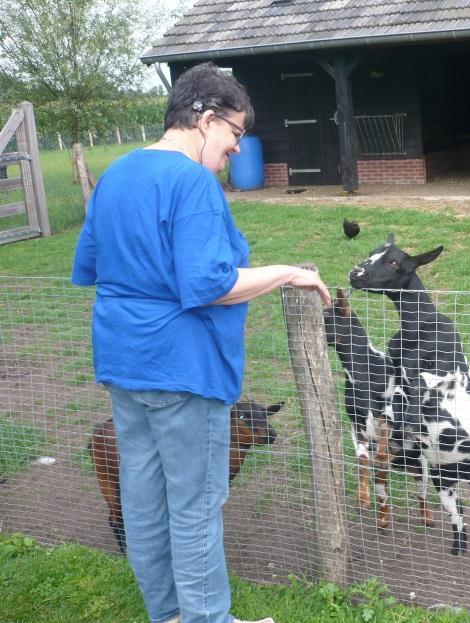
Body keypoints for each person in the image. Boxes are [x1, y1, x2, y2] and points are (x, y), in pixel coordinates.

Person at [71, 62, 330, 623]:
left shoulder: (115, 174)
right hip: (181, 370)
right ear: (204, 118)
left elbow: (91, 266)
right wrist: (287, 272)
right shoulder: (192, 182)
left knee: (143, 501)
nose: (238, 147)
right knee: (194, 508)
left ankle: (166, 613)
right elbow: (209, 286)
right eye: (235, 133)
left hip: (122, 362)